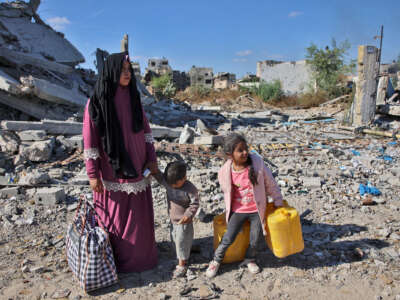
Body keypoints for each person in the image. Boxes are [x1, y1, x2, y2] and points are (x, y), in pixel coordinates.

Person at [83, 52, 158, 273]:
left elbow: (146, 132)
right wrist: (92, 174)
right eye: (123, 69)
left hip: (138, 165)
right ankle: (116, 260)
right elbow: (90, 139)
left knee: (138, 216)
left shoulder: (134, 98)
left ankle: (143, 258)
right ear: (112, 71)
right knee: (116, 215)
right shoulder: (96, 102)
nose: (127, 73)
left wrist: (152, 159)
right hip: (111, 169)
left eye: (129, 69)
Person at [205, 133, 284, 278]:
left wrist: (278, 201)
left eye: (245, 148)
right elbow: (227, 193)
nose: (245, 152)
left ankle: (250, 259)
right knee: (228, 237)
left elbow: (270, 183)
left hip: (256, 210)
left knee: (255, 239)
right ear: (230, 155)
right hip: (238, 210)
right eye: (240, 150)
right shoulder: (225, 172)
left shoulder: (257, 163)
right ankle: (216, 260)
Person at [153, 161, 199, 277]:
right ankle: (186, 251)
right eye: (170, 184)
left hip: (184, 221)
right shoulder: (169, 182)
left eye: (175, 184)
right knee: (174, 239)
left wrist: (188, 215)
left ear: (184, 178)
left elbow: (194, 204)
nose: (172, 186)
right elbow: (159, 177)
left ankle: (182, 265)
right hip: (173, 220)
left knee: (181, 240)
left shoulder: (190, 189)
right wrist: (153, 170)